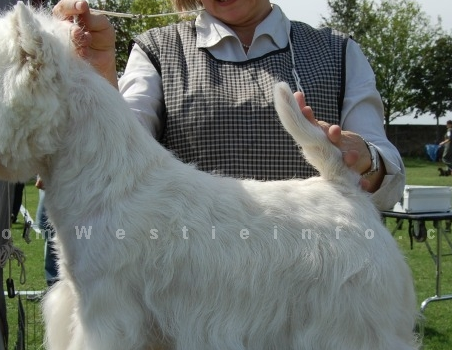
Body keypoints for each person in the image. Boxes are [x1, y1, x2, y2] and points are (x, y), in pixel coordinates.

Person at [52, 0, 404, 211]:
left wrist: (365, 160)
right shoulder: (155, 51)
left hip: (320, 269)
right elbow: (118, 157)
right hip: (195, 280)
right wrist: (96, 72)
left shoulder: (339, 52)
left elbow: (390, 184)